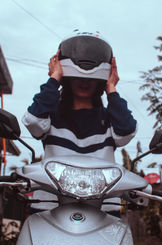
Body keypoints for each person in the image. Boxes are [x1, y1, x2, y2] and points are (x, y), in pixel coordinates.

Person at [21, 31, 137, 214]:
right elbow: (33, 122)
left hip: (103, 211)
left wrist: (112, 88)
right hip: (49, 209)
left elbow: (126, 132)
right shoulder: (51, 116)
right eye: (78, 76)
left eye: (90, 77)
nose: (84, 81)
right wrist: (54, 78)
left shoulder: (109, 118)